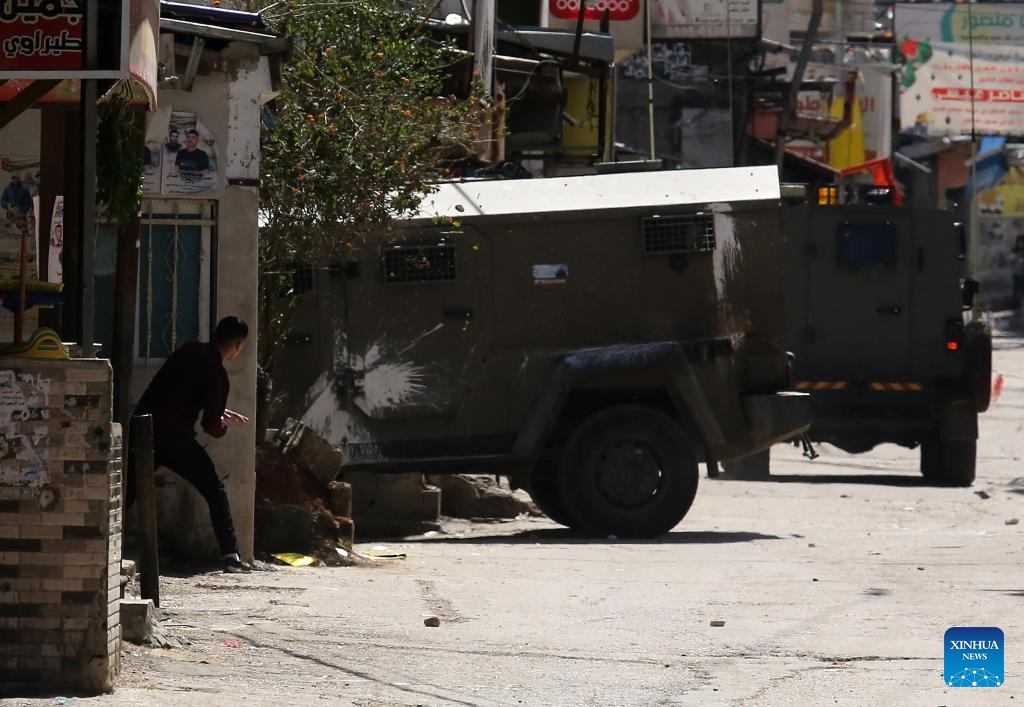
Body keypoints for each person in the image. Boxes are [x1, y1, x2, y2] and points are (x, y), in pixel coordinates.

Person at [131, 316, 252, 573]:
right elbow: (211, 426)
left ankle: (95, 538)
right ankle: (231, 556)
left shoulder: (188, 350)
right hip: (176, 441)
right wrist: (221, 420)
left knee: (127, 489)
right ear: (238, 345)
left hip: (143, 431)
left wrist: (219, 408)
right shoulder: (217, 374)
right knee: (214, 490)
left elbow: (178, 390)